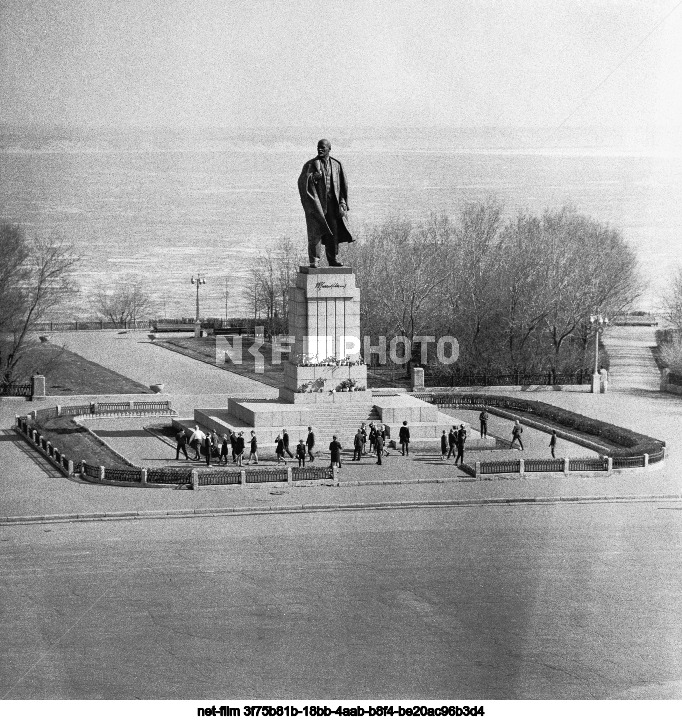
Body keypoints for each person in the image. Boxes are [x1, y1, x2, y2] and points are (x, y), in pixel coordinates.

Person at [298, 138, 354, 268]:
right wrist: (312, 178)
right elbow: (301, 182)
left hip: (333, 205)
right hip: (317, 205)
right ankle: (314, 260)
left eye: (323, 147)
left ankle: (332, 259)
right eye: (318, 147)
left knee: (333, 233)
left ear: (329, 149)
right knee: (315, 232)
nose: (320, 149)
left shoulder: (337, 165)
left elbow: (342, 187)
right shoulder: (310, 165)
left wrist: (342, 203)